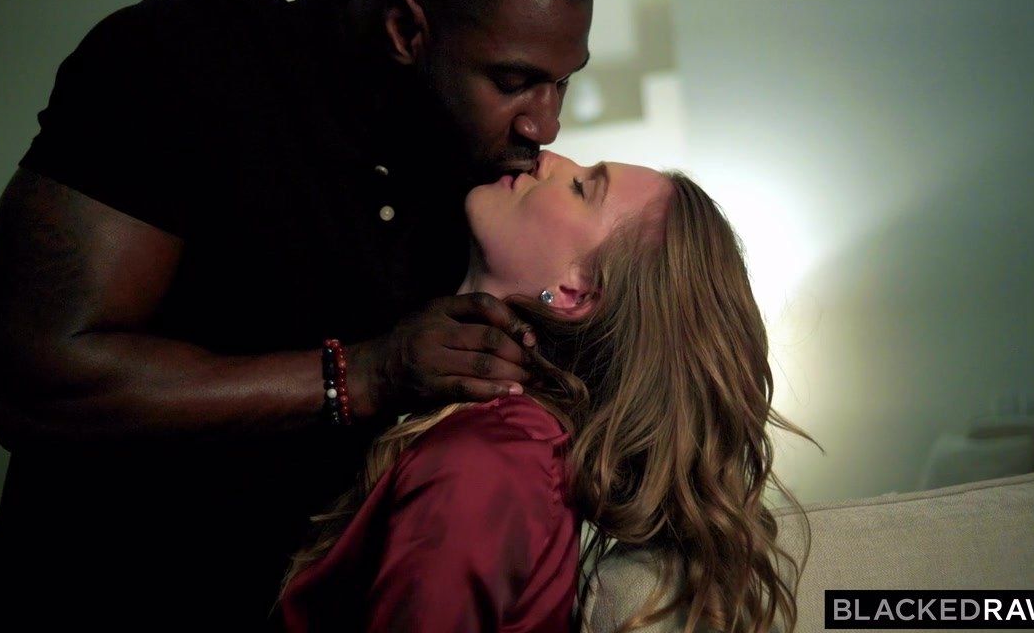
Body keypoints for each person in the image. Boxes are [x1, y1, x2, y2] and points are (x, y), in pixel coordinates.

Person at [0, 0, 601, 629]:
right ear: (407, 30)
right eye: (513, 81)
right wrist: (362, 375)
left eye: (561, 83)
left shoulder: (485, 179)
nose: (545, 125)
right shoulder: (185, 60)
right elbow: (34, 383)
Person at [275, 150, 818, 633]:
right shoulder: (511, 443)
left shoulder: (490, 462)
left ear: (575, 293)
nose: (547, 157)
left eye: (582, 187)